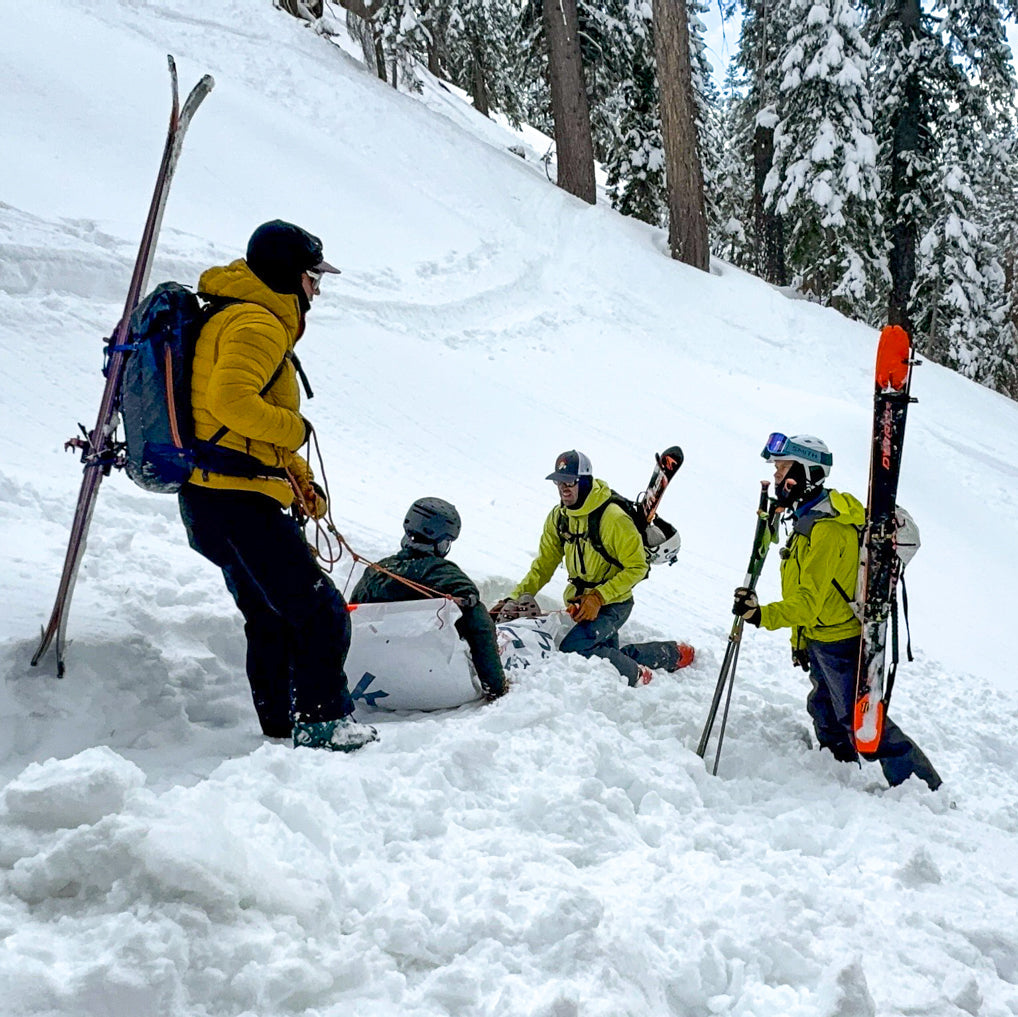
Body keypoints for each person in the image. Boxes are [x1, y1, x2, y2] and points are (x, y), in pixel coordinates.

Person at [177, 219, 378, 752]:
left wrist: (300, 481)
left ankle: (281, 725)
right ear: (290, 275)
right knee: (322, 613)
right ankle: (324, 722)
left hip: (214, 496)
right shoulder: (258, 323)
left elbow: (241, 428)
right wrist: (297, 429)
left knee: (269, 617)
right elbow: (231, 404)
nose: (317, 289)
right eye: (314, 276)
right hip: (238, 500)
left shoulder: (236, 313)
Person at [732, 433, 940, 790]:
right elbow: (806, 592)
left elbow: (807, 602)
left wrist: (760, 615)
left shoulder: (827, 529)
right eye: (777, 470)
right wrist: (800, 641)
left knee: (861, 721)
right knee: (824, 710)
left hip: (840, 642)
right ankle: (839, 771)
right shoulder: (807, 517)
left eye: (783, 469)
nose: (777, 477)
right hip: (819, 637)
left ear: (807, 473)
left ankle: (924, 787)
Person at [491, 450, 695, 687]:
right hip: (581, 604)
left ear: (585, 481)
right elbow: (543, 566)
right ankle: (672, 654)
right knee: (602, 653)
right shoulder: (559, 518)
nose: (563, 489)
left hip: (613, 603)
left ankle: (636, 674)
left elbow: (638, 567)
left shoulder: (613, 518)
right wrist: (513, 598)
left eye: (570, 482)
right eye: (559, 482)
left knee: (576, 648)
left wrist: (599, 597)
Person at [350, 498, 508, 701]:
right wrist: (496, 686)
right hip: (438, 689)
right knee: (475, 613)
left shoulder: (375, 573)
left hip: (372, 687)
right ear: (441, 543)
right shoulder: (447, 576)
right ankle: (493, 686)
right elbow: (479, 626)